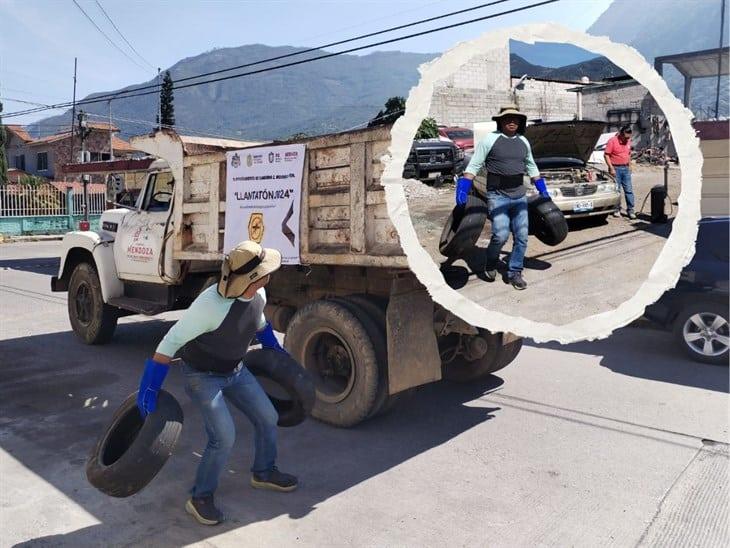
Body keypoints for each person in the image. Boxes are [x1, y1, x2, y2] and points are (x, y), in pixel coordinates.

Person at [136, 240, 297, 526]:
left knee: (268, 417)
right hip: (202, 376)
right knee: (224, 437)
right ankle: (200, 497)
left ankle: (263, 472)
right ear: (251, 277)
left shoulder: (258, 291)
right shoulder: (209, 306)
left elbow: (258, 322)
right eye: (265, 270)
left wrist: (275, 349)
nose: (270, 273)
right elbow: (169, 343)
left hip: (236, 370)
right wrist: (150, 386)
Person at [455, 105, 547, 290]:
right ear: (500, 121)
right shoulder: (490, 139)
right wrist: (463, 187)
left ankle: (515, 271)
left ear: (520, 122)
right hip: (498, 196)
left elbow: (531, 166)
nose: (512, 121)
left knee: (522, 237)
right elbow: (474, 165)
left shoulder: (523, 141)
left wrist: (542, 188)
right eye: (507, 118)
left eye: (515, 119)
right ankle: (490, 262)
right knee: (501, 235)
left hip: (519, 195)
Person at [604, 124, 636, 219]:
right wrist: (611, 168)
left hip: (626, 169)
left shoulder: (628, 141)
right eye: (625, 137)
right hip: (615, 169)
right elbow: (606, 155)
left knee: (629, 190)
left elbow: (629, 153)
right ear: (621, 134)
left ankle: (630, 210)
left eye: (629, 138)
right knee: (616, 191)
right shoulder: (612, 141)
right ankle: (616, 209)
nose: (627, 139)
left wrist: (630, 165)